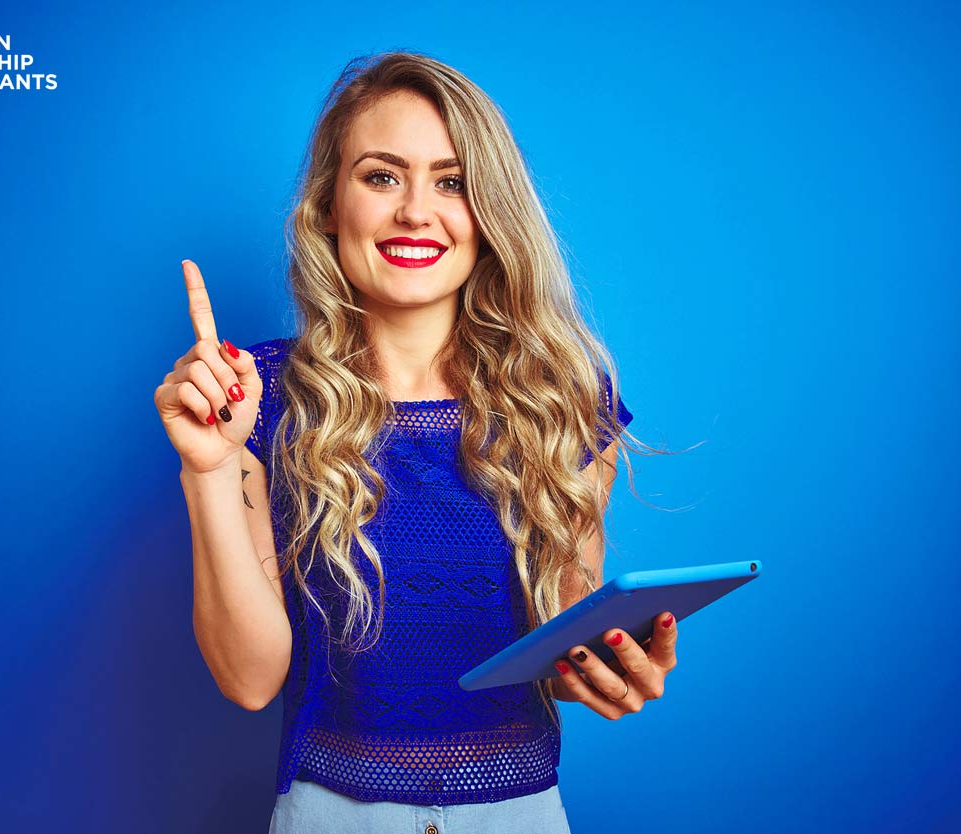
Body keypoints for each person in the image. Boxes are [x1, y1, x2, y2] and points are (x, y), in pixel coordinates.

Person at [154, 51, 679, 834]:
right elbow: (250, 679)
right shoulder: (254, 397)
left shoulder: (563, 401)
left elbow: (562, 639)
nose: (415, 213)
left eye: (452, 181)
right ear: (329, 204)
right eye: (381, 176)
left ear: (489, 209)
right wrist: (208, 466)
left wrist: (610, 664)